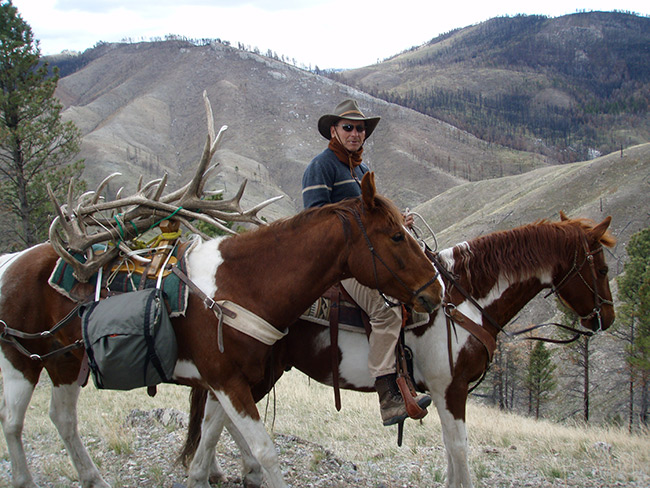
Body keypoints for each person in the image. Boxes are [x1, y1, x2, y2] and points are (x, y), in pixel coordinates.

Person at [302, 99, 431, 426]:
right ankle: (389, 395)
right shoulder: (322, 166)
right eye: (348, 127)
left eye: (360, 129)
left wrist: (396, 223)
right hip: (340, 264)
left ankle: (408, 378)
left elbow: (369, 222)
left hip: (364, 259)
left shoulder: (359, 171)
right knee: (386, 311)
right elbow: (314, 222)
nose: (355, 133)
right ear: (334, 130)